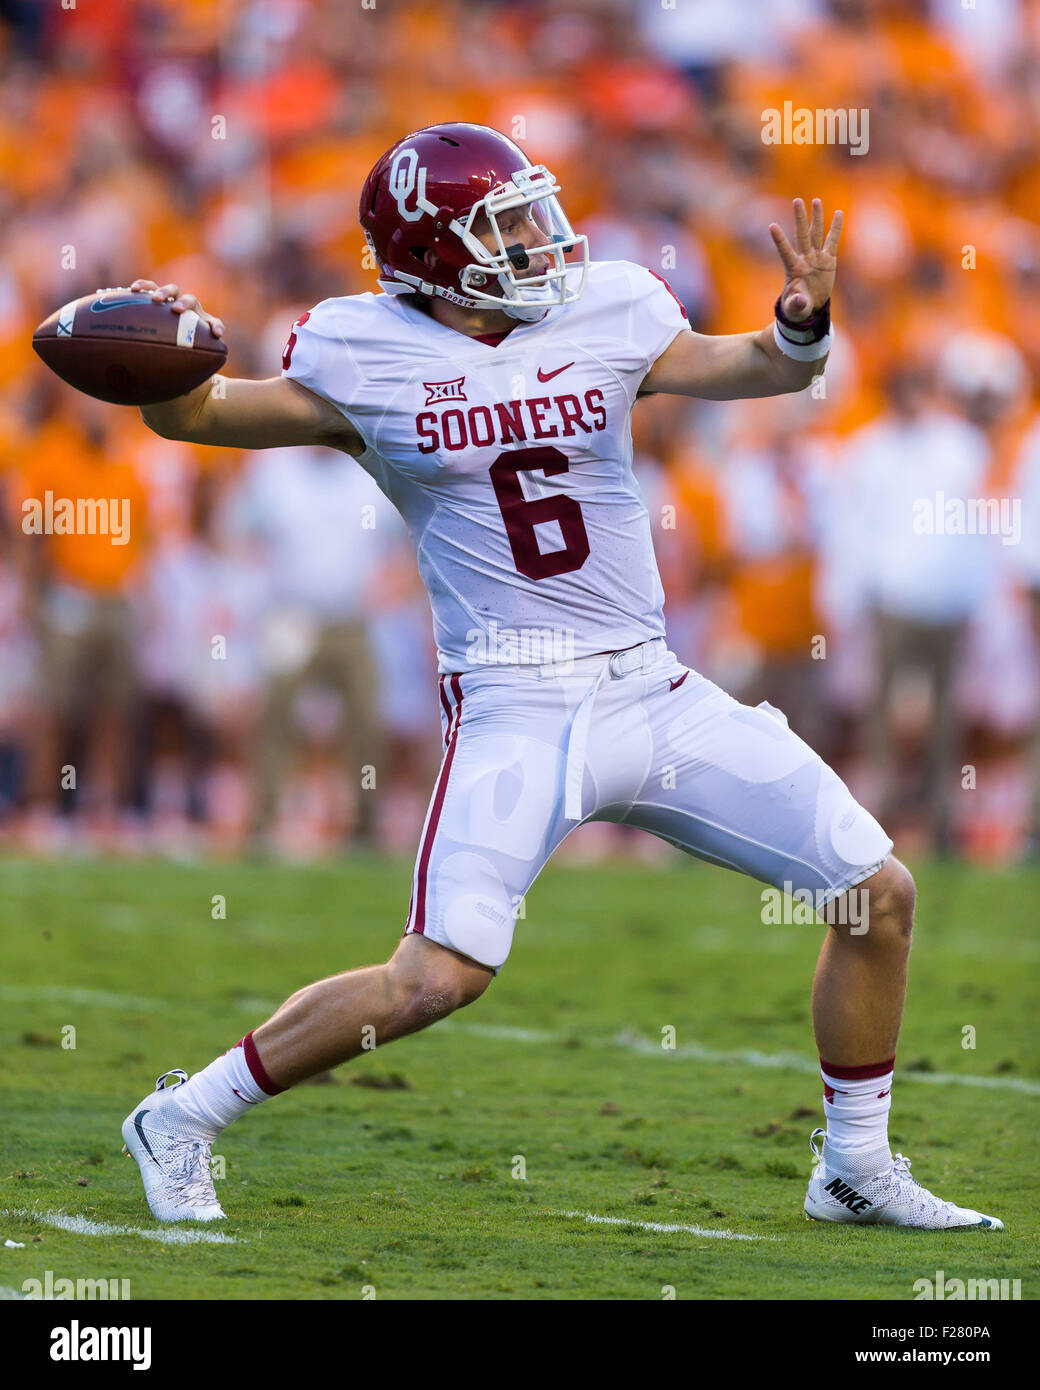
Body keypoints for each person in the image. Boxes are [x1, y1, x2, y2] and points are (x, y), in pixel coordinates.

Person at [118, 123, 1000, 1231]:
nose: (540, 238)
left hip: (651, 688)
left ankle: (852, 1166)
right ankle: (185, 1115)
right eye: (505, 222)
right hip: (512, 700)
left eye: (535, 210)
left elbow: (758, 367)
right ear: (435, 254)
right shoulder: (357, 351)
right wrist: (159, 366)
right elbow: (203, 415)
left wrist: (797, 322)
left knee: (875, 895)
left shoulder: (608, 307)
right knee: (434, 979)